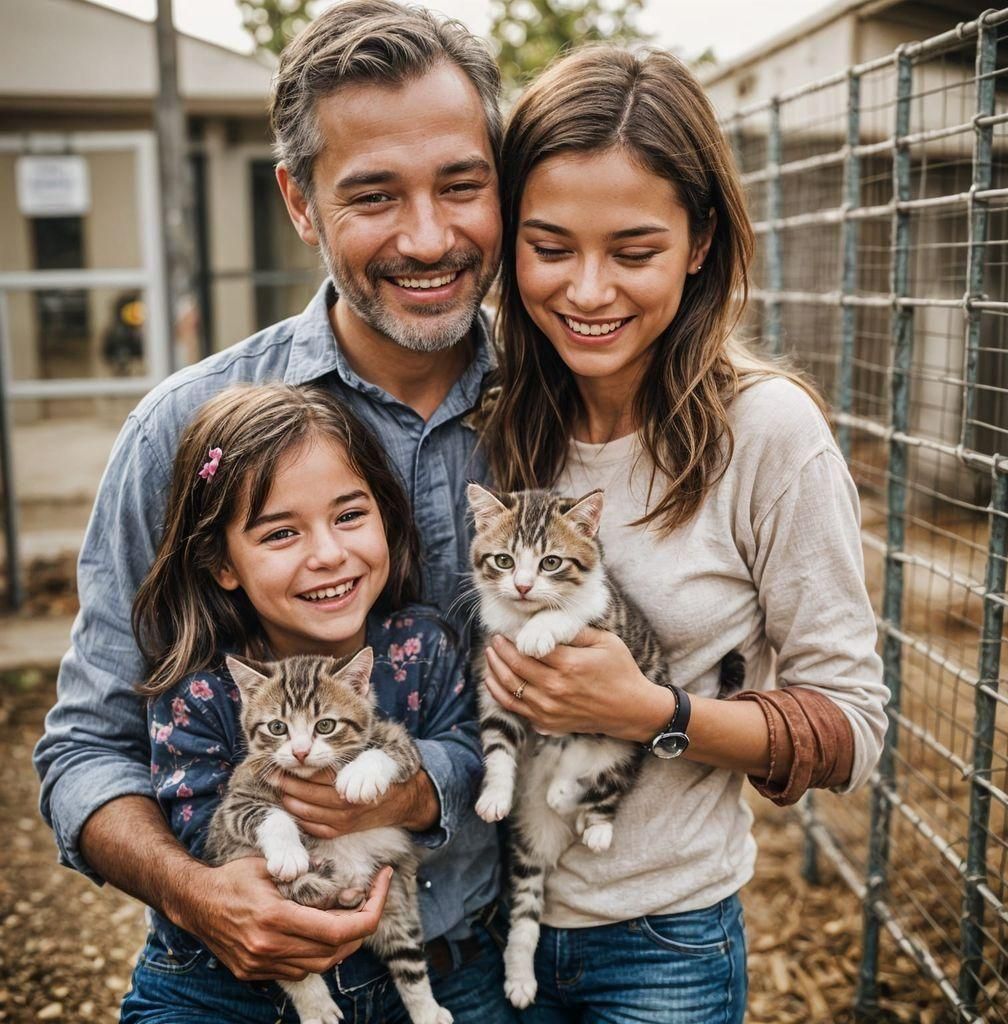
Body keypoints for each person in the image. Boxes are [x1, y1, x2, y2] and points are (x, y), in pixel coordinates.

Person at [34, 3, 515, 1018]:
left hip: (468, 974)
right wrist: (199, 891)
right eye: (374, 194)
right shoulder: (184, 430)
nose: (429, 238)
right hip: (223, 983)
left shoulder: (569, 412)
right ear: (299, 201)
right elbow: (84, 749)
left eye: (461, 186)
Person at [478, 46, 890, 1023]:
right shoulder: (484, 422)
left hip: (662, 943)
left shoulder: (768, 435)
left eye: (633, 251)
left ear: (699, 241)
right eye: (548, 246)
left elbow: (852, 728)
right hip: (477, 932)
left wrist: (653, 711)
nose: (586, 291)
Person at [122, 382, 492, 1022]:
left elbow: (471, 749)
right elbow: (197, 826)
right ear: (223, 564)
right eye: (279, 533)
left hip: (426, 959)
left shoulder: (420, 646)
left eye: (349, 515)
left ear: (386, 517)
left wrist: (412, 779)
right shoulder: (205, 687)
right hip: (227, 986)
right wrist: (274, 824)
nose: (328, 555)